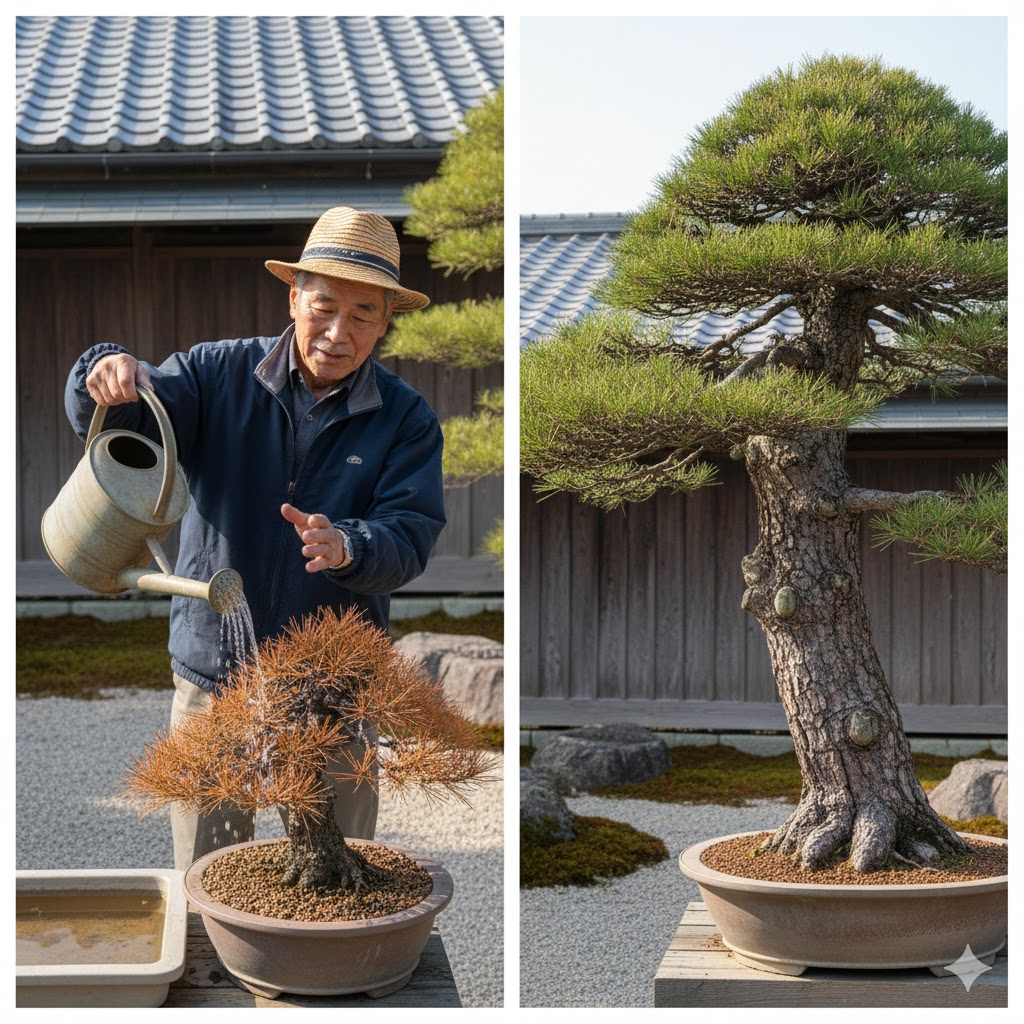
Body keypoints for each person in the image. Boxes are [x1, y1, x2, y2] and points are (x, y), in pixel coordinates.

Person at [64, 207, 446, 869]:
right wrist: (102, 369)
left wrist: (350, 544)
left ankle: (336, 967)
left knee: (341, 859)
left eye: (363, 314)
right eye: (324, 306)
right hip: (217, 673)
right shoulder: (216, 374)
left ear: (386, 322)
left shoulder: (405, 419)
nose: (338, 332)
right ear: (294, 296)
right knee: (208, 869)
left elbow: (411, 532)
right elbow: (128, 419)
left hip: (336, 687)